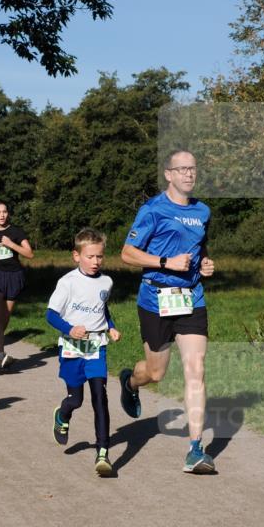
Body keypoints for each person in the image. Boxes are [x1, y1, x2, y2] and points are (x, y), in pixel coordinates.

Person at [119, 149, 217, 474]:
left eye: (193, 168)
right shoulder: (152, 210)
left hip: (191, 297)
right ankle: (131, 383)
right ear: (169, 174)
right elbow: (127, 253)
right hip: (156, 298)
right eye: (182, 169)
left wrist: (204, 264)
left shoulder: (203, 211)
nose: (189, 174)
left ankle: (195, 449)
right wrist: (165, 263)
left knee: (196, 369)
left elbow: (199, 246)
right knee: (156, 373)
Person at [47, 228, 121, 477]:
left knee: (100, 396)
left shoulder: (106, 282)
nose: (95, 262)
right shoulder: (67, 282)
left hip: (96, 347)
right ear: (76, 256)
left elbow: (101, 308)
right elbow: (50, 314)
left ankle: (103, 452)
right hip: (71, 347)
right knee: (76, 399)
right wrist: (69, 329)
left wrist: (110, 327)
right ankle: (63, 413)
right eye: (90, 256)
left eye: (99, 256)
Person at [0, 200, 33, 369]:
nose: (2, 215)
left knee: (5, 315)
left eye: (4, 211)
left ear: (8, 213)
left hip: (13, 276)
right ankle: (2, 354)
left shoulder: (16, 232)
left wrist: (11, 244)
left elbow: (29, 254)